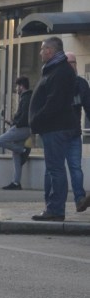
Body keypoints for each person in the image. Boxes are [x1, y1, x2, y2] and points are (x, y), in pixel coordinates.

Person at [29, 36, 76, 222]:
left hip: (56, 127)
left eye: (42, 49)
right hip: (52, 127)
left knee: (55, 169)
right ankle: (52, 207)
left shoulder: (60, 71)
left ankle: (55, 209)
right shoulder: (53, 69)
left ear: (50, 50)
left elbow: (54, 102)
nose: (40, 53)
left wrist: (37, 118)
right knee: (52, 169)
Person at [63, 52, 90, 213]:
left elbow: (88, 106)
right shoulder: (57, 82)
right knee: (54, 170)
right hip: (57, 133)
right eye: (68, 63)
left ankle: (80, 199)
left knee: (75, 167)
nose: (71, 66)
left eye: (73, 63)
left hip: (73, 133)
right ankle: (52, 202)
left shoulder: (81, 83)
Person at [0, 75, 32, 189]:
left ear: (21, 86)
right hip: (23, 128)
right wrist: (12, 122)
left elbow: (24, 116)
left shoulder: (26, 98)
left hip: (22, 128)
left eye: (17, 86)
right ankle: (16, 182)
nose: (16, 89)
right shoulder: (26, 97)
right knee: (16, 156)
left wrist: (15, 123)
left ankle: (23, 150)